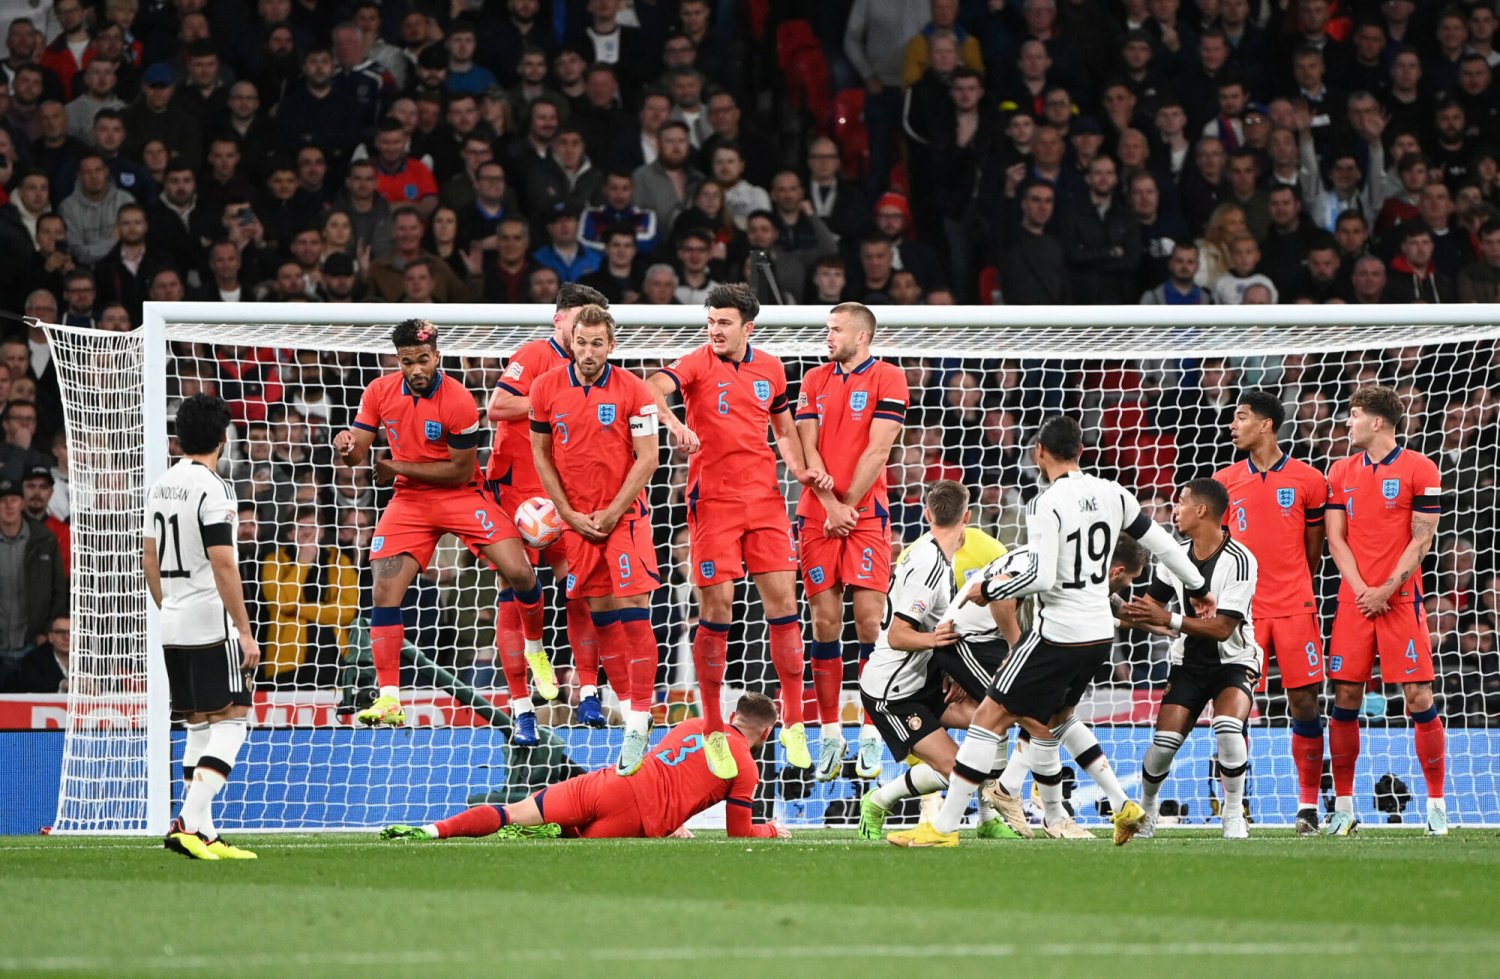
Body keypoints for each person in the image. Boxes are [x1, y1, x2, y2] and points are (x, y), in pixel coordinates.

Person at [890, 415, 1213, 848]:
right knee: (1057, 720)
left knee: (988, 719)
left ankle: (945, 828)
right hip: (1098, 637)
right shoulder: (1114, 493)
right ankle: (1116, 806)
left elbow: (1042, 577)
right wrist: (1198, 587)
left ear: (1040, 451)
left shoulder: (1046, 502)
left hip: (1058, 634)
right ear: (1081, 450)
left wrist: (991, 588)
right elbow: (1165, 545)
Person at [648, 284, 831, 774]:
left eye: (724, 322)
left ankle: (793, 721)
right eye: (711, 321)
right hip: (713, 504)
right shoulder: (695, 362)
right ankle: (712, 726)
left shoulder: (771, 368)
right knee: (717, 610)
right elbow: (649, 388)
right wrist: (674, 424)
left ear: (748, 327)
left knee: (785, 606)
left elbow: (783, 428)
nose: (715, 330)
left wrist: (799, 469)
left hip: (764, 501)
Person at [332, 320, 550, 729]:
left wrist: (397, 466)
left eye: (422, 360)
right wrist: (345, 445)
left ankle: (536, 649)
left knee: (520, 572)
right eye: (407, 362)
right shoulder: (379, 391)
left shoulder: (459, 400)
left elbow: (458, 471)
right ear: (398, 360)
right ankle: (389, 698)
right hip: (410, 501)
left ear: (437, 356)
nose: (415, 369)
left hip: (461, 494)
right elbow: (358, 451)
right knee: (384, 590)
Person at [529, 303, 663, 776]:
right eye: (581, 343)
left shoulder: (635, 390)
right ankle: (628, 711)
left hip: (624, 518)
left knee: (633, 610)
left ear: (612, 345)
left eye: (597, 344)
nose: (588, 352)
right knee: (601, 613)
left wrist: (611, 512)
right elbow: (540, 454)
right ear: (572, 342)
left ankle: (639, 719)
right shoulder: (545, 388)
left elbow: (648, 457)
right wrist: (566, 513)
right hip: (577, 522)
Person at [380, 693, 791, 841]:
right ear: (767, 732)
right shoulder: (746, 766)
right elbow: (738, 832)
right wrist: (771, 829)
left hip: (609, 782)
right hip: (636, 817)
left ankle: (432, 830)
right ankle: (556, 830)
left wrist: (675, 818)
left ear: (733, 715)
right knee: (573, 843)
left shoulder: (693, 723)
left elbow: (674, 770)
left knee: (512, 812)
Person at [855, 480, 1017, 842]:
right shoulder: (928, 565)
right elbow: (898, 635)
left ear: (928, 514)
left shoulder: (938, 556)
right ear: (968, 517)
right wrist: (934, 641)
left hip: (922, 677)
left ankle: (987, 818)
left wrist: (949, 669)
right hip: (892, 693)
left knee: (991, 718)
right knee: (960, 770)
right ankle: (878, 801)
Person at [481, 284, 607, 743]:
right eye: (578, 322)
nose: (584, 332)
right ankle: (522, 708)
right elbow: (497, 406)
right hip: (516, 493)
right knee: (515, 593)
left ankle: (589, 690)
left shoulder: (596, 371)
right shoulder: (534, 355)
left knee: (580, 588)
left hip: (566, 495)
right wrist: (552, 401)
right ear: (559, 320)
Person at [1323, 384, 1447, 836]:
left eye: (1355, 414)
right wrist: (1363, 590)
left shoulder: (1421, 467)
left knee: (1419, 697)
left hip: (1402, 600)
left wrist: (1388, 588)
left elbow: (1422, 538)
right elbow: (1335, 538)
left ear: (1377, 422)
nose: (1348, 422)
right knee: (1345, 698)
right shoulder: (1340, 470)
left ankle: (1436, 806)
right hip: (1355, 602)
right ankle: (1343, 807)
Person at [794, 303, 909, 781]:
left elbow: (879, 449)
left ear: (862, 336)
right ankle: (829, 734)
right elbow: (807, 446)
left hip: (865, 516)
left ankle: (871, 732)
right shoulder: (813, 379)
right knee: (824, 623)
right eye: (828, 329)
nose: (828, 336)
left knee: (868, 624)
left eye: (836, 329)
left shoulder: (889, 377)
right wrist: (830, 506)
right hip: (818, 515)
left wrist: (847, 506)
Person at [143, 394, 259, 861]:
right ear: (222, 438)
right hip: (211, 621)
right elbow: (223, 562)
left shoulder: (161, 484)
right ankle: (187, 823)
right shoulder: (215, 488)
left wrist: (171, 607)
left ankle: (205, 833)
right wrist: (244, 631)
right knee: (234, 720)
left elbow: (149, 558)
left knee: (198, 726)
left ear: (179, 438)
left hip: (172, 621)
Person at [1118, 479, 1260, 840]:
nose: (1174, 510)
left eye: (1181, 503)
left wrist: (1170, 619)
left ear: (1202, 510)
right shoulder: (1175, 556)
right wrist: (1106, 603)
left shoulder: (1241, 560)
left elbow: (1223, 628)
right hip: (1188, 665)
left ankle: (1233, 814)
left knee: (1228, 727)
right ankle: (1147, 810)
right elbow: (1150, 608)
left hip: (1234, 661)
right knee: (1163, 746)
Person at [1214, 389, 1329, 834]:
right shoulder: (1224, 481)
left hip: (1295, 607)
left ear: (1266, 425)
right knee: (1235, 708)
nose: (1233, 425)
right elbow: (1219, 551)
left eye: (1241, 417)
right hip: (1243, 612)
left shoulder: (1309, 480)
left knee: (1304, 702)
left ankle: (1308, 806)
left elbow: (1313, 549)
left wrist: (1293, 583)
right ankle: (1235, 805)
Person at [0, 475, 66, 669]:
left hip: (33, 646)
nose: (8, 506)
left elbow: (59, 589)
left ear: (22, 503)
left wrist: (47, 630)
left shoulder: (45, 540)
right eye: (2, 501)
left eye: (13, 499)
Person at [2, 611, 69, 693]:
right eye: (60, 632)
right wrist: (62, 685)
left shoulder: (84, 659)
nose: (66, 637)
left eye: (71, 632)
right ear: (50, 637)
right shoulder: (33, 661)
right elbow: (35, 686)